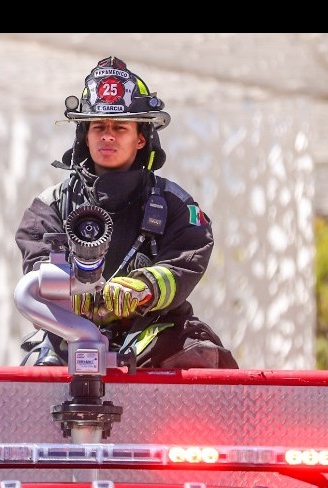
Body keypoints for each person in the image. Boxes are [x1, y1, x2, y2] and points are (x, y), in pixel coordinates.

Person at [15, 55, 238, 369]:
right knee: (38, 372)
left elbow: (188, 258)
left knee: (201, 357)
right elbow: (38, 269)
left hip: (154, 333)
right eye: (98, 127)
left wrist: (145, 287)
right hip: (69, 333)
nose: (107, 135)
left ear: (141, 138)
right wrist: (72, 291)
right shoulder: (49, 207)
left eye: (120, 127)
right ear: (85, 136)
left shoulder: (176, 205)